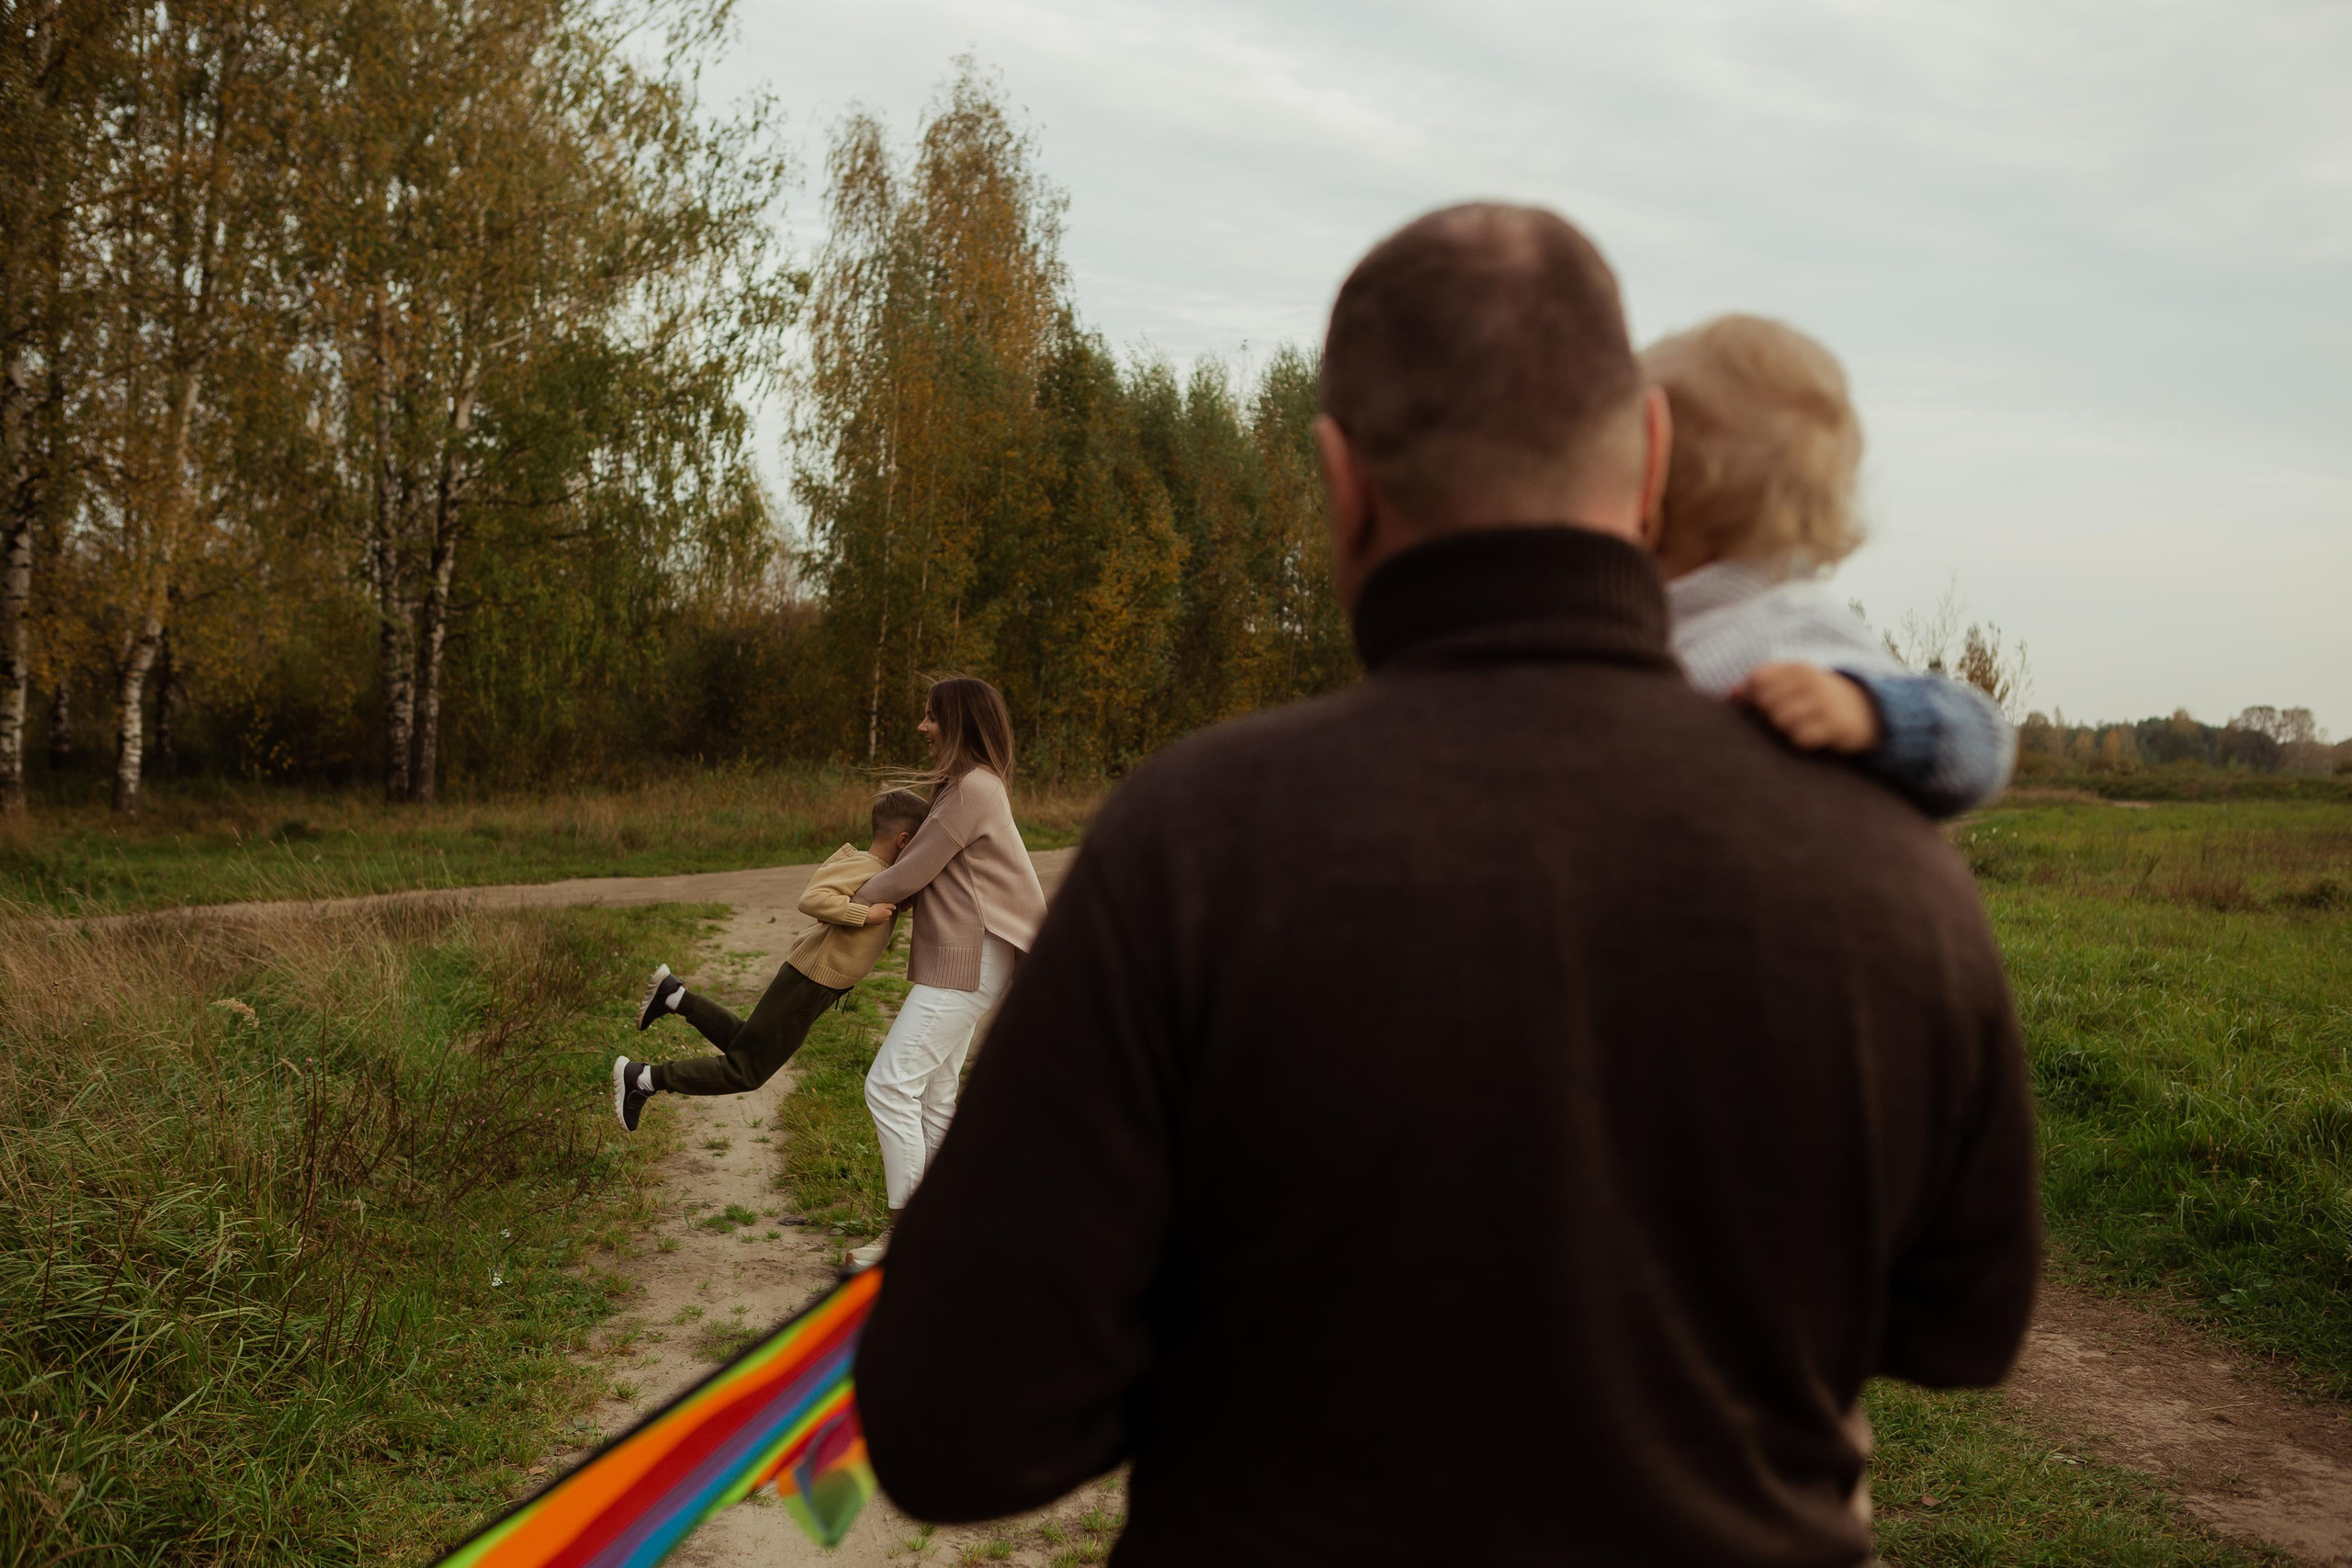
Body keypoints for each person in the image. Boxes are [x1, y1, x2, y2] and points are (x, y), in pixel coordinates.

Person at [854, 204, 2041, 1565]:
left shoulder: (1194, 842)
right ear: (1649, 458)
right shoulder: (1889, 856)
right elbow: (1964, 1325)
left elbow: (957, 1425)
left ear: (1342, 480)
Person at [1645, 312, 2015, 818]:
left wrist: (1865, 711)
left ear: (1654, 492)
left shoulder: (1789, 625)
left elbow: (1983, 739)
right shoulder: (1656, 616)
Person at [841, 674, 1046, 1271]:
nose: (923, 726)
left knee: (889, 1085)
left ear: (958, 721)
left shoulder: (972, 790)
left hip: (970, 960)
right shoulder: (967, 786)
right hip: (969, 957)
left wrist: (841, 897)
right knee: (934, 1095)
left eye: (932, 716)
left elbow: (911, 872)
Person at [610, 788, 930, 1132]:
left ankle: (674, 996)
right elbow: (813, 899)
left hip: (816, 982)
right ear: (904, 841)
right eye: (920, 845)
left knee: (750, 1042)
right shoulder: (865, 867)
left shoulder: (880, 873)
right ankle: (644, 1078)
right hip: (811, 981)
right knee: (748, 1069)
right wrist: (862, 914)